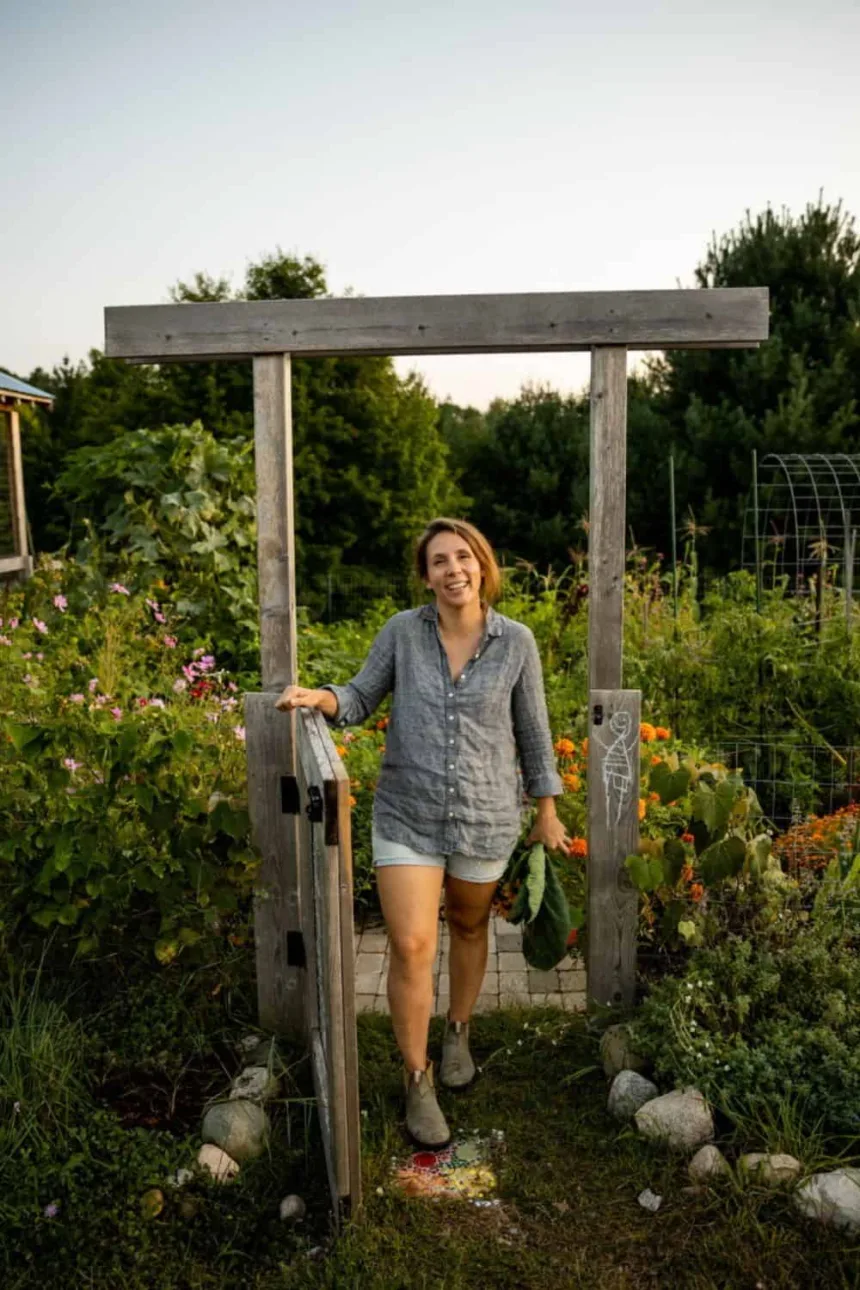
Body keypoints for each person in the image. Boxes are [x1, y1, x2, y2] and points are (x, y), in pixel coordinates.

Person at [275, 517, 569, 1148]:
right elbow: (358, 696)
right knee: (410, 945)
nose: (453, 570)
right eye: (439, 561)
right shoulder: (402, 635)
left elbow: (535, 733)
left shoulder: (516, 642)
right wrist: (319, 698)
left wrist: (546, 810)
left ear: (482, 565)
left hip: (487, 816)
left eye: (463, 557)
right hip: (407, 814)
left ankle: (458, 1028)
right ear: (426, 574)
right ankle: (417, 1077)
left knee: (467, 926)